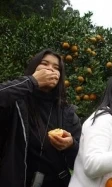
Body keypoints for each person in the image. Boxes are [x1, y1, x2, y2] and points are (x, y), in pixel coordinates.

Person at [0, 49, 82, 187]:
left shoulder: (67, 112)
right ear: (34, 68)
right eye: (44, 64)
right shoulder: (16, 102)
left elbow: (80, 162)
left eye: (56, 68)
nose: (50, 69)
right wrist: (32, 81)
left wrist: (71, 146)